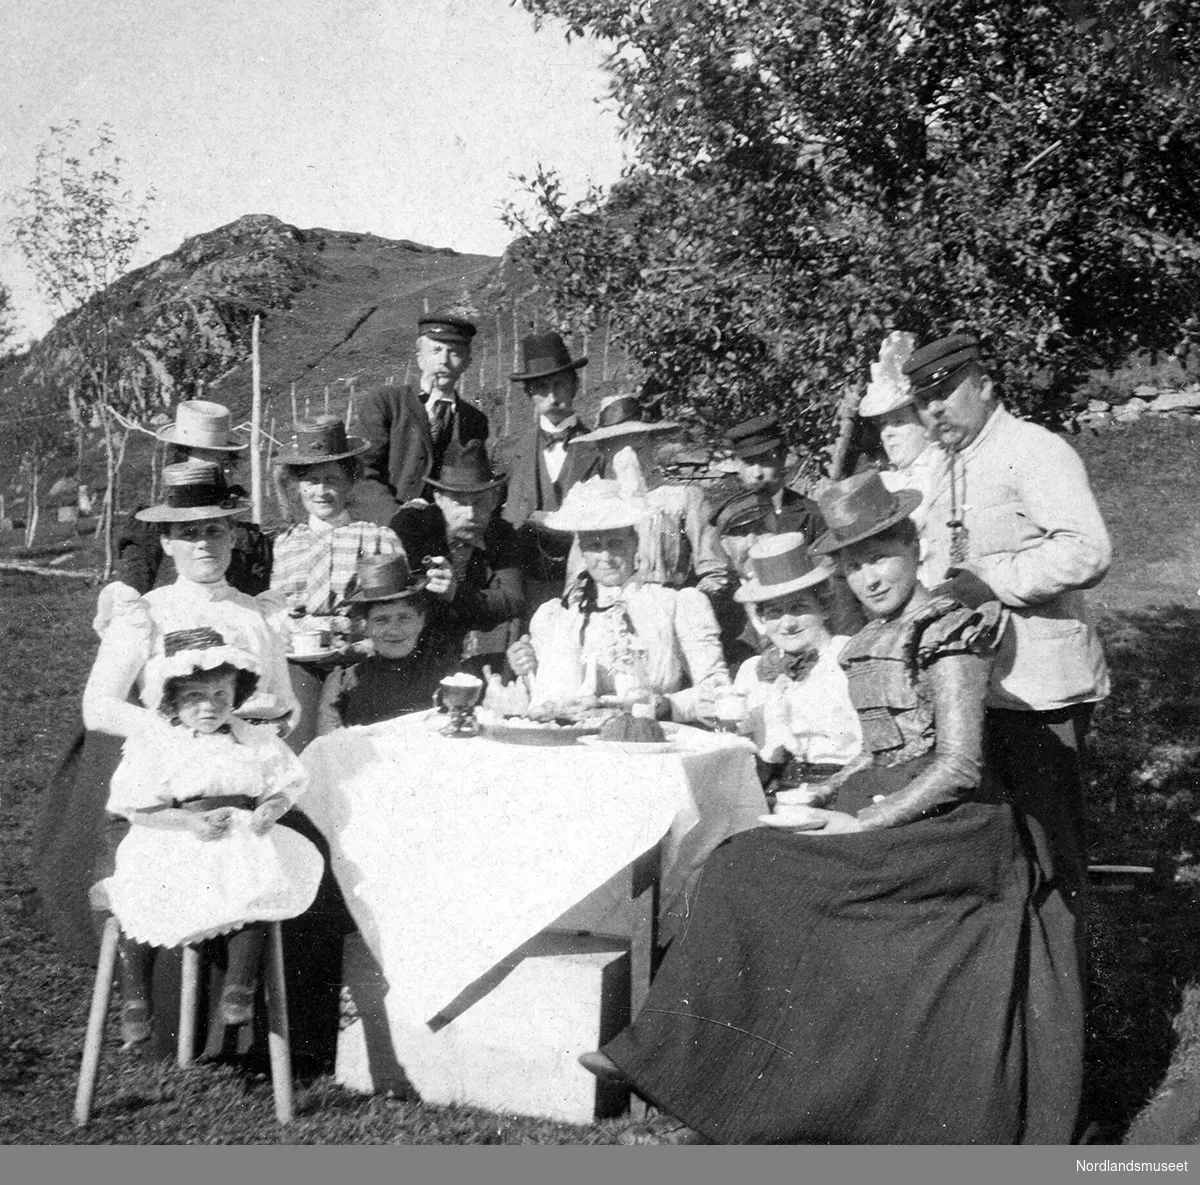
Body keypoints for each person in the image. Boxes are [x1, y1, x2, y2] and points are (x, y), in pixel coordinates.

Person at [581, 471, 1079, 1145]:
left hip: (954, 827)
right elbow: (879, 747)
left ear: (912, 543)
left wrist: (859, 820)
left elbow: (959, 765)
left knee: (755, 869)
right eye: (853, 562)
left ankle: (699, 1072)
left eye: (880, 554)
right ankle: (699, 1075)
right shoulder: (876, 633)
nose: (869, 575)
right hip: (881, 798)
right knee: (738, 862)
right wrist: (825, 789)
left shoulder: (947, 628)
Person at [903, 332, 1111, 1139]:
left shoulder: (1034, 449)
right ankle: (1003, 1067)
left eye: (944, 395)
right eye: (922, 399)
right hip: (969, 697)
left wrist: (997, 581)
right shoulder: (946, 462)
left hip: (1039, 695)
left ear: (984, 384)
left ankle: (1068, 1083)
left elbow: (1088, 549)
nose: (933, 411)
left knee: (1052, 878)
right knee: (996, 881)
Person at [103, 627, 323, 1048]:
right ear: (170, 699)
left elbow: (284, 787)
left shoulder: (253, 738)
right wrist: (188, 824)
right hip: (177, 838)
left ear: (236, 695)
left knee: (261, 886)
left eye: (221, 696)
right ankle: (135, 998)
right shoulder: (156, 742)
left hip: (240, 838)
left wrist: (268, 810)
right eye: (193, 698)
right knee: (141, 891)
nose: (210, 708)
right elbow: (141, 810)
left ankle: (238, 988)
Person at [506, 477, 728, 716]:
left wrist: (666, 706)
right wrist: (529, 668)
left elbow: (718, 689)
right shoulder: (558, 617)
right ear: (581, 550)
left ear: (635, 543)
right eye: (594, 545)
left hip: (651, 740)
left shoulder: (674, 604)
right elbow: (549, 700)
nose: (606, 557)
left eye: (615, 543)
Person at [687, 533, 862, 802]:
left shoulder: (849, 656)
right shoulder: (753, 672)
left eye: (799, 607)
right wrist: (723, 726)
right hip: (773, 791)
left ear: (824, 607)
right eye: (774, 613)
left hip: (843, 789)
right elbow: (744, 752)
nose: (787, 623)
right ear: (761, 620)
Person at [269, 416, 403, 750]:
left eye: (332, 479)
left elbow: (396, 608)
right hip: (299, 667)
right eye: (311, 481)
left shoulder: (375, 537)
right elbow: (275, 607)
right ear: (297, 487)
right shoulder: (285, 543)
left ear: (350, 480)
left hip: (358, 664)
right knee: (297, 754)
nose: (322, 491)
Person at [98, 400, 273, 624]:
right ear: (182, 458)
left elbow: (256, 611)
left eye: (222, 458)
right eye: (204, 455)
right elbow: (131, 596)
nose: (215, 467)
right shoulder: (150, 529)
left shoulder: (248, 539)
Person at [565, 389, 734, 601]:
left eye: (637, 447)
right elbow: (576, 581)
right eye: (617, 449)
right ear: (604, 450)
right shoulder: (596, 504)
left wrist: (685, 607)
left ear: (651, 441)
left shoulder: (681, 497)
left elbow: (715, 571)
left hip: (667, 608)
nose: (629, 457)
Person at [388, 439, 526, 671]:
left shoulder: (501, 533)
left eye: (480, 502)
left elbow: (514, 600)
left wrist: (457, 594)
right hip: (417, 652)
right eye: (460, 503)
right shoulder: (412, 526)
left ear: (494, 499)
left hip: (476, 656)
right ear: (440, 499)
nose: (470, 513)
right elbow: (404, 599)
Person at [354, 310, 489, 525]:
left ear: (466, 363)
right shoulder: (386, 402)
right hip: (383, 524)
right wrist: (396, 517)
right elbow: (361, 472)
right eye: (435, 350)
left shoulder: (474, 420)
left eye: (454, 352)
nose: (443, 361)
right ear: (420, 358)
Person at [502, 332, 604, 614]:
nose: (553, 396)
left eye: (560, 385)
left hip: (584, 581)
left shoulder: (598, 448)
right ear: (529, 394)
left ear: (574, 386)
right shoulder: (511, 452)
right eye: (542, 388)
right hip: (528, 583)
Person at [317, 554, 463, 732]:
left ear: (421, 620)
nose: (394, 630)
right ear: (365, 626)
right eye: (381, 620)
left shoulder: (442, 675)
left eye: (404, 618)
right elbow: (327, 749)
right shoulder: (341, 684)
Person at [856, 331, 946, 582]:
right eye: (883, 425)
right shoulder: (884, 483)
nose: (888, 434)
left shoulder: (945, 468)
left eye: (898, 422)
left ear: (924, 423)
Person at [721, 413, 824, 541]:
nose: (757, 473)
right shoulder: (727, 520)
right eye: (748, 462)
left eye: (765, 460)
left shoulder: (813, 517)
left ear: (782, 457)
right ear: (737, 464)